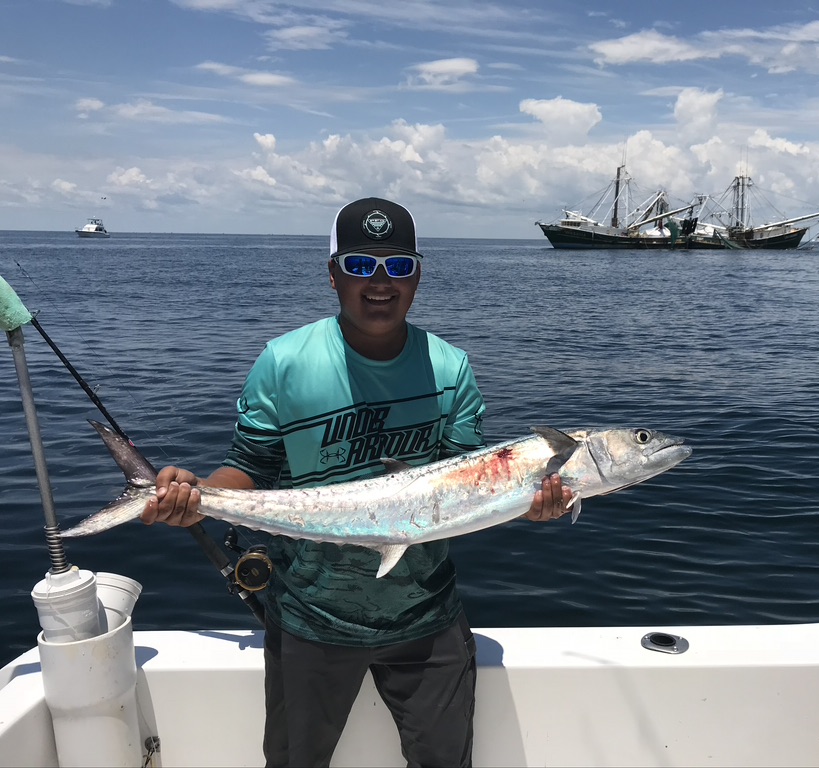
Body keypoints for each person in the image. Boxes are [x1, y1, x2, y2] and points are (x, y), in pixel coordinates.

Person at [140, 197, 573, 768]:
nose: (379, 284)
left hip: (427, 617)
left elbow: (470, 484)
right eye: (360, 266)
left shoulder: (450, 368)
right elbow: (246, 469)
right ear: (333, 274)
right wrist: (196, 497)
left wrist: (529, 505)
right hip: (310, 616)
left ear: (416, 275)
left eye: (397, 266)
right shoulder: (284, 361)